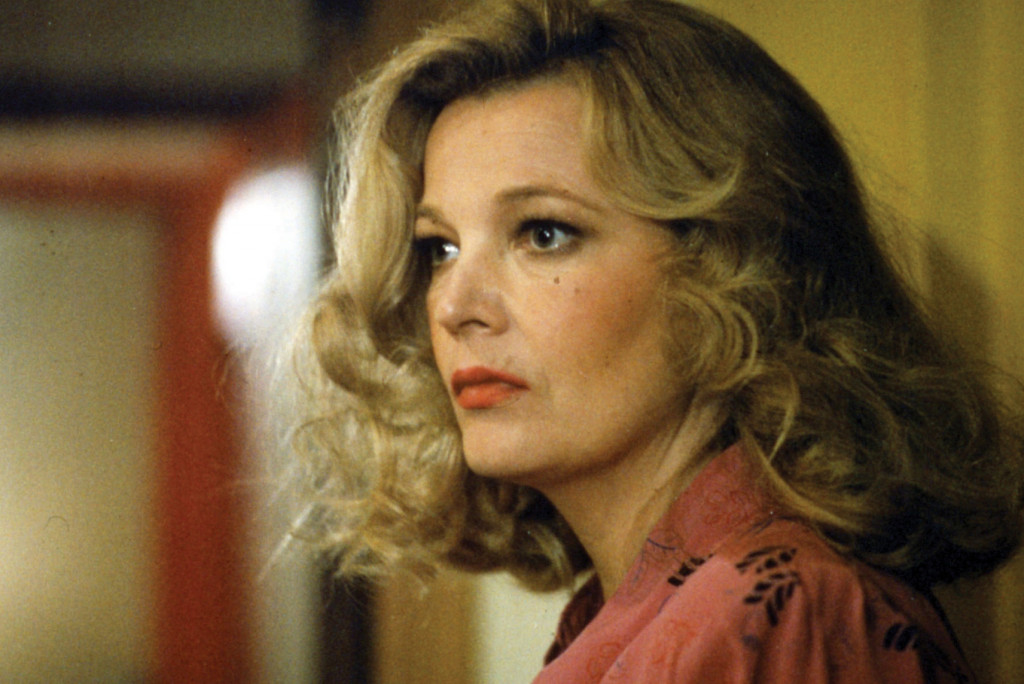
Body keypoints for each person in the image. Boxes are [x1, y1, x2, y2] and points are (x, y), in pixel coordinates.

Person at [288, 0, 1024, 680]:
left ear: (733, 271)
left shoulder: (777, 611)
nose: (453, 306)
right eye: (439, 248)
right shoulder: (664, 605)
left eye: (544, 234)